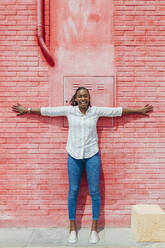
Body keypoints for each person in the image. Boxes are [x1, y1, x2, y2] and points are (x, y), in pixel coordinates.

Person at [12, 87, 153, 244]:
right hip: (74, 156)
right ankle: (72, 228)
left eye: (85, 96)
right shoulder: (70, 111)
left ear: (89, 98)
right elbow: (48, 111)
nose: (83, 98)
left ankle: (94, 228)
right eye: (80, 96)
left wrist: (140, 110)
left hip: (92, 156)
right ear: (76, 99)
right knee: (73, 191)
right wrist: (27, 110)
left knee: (94, 192)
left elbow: (117, 111)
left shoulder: (95, 111)